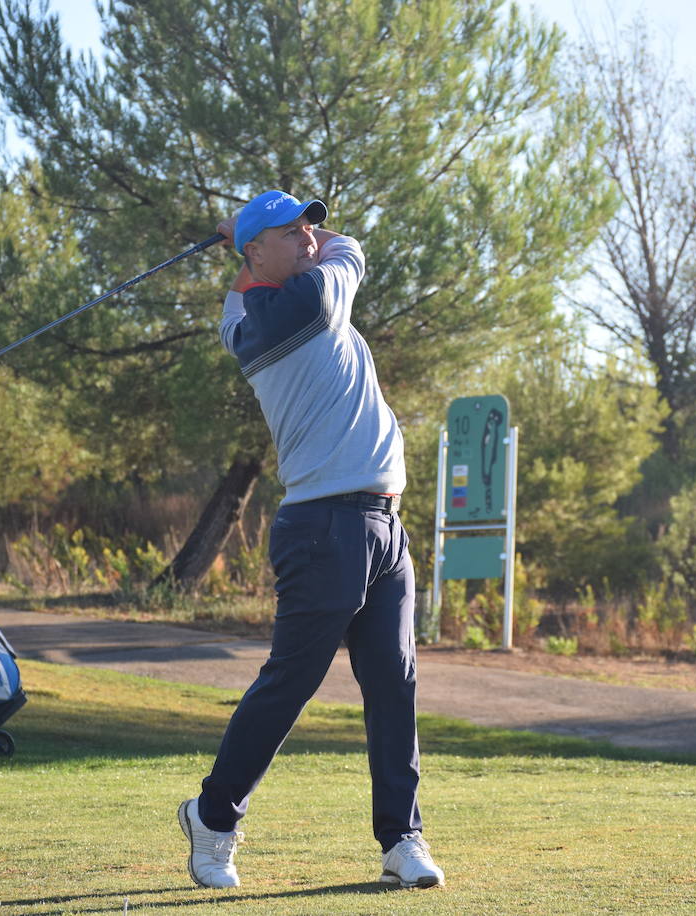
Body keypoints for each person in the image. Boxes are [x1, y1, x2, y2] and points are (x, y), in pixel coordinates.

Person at [177, 190, 445, 891]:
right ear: (256, 253)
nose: (308, 238)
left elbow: (265, 275)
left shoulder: (243, 311)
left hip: (383, 523)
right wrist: (247, 234)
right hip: (327, 525)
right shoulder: (306, 302)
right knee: (291, 684)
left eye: (307, 227)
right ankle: (213, 817)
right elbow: (349, 250)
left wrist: (245, 234)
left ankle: (402, 838)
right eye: (288, 233)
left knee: (393, 685)